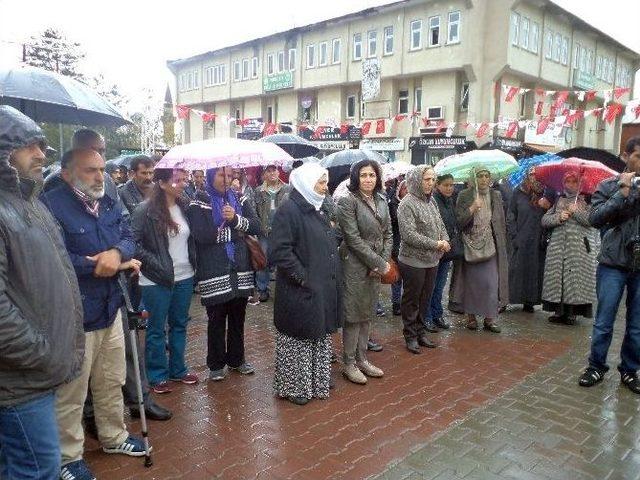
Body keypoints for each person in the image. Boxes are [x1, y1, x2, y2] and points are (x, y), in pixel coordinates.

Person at [43, 148, 150, 480]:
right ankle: (67, 456)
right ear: (67, 173)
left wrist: (117, 253)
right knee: (72, 391)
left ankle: (113, 436)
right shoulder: (51, 206)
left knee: (111, 380)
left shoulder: (108, 200)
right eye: (90, 170)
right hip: (76, 315)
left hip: (111, 307)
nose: (99, 176)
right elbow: (54, 259)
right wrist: (108, 264)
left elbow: (128, 236)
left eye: (102, 169)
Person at [0, 106, 84, 480]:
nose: (41, 154)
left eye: (42, 145)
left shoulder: (30, 202)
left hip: (34, 373)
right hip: (19, 379)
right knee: (38, 470)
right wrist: (43, 353)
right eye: (29, 146)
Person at [269, 163, 343, 405]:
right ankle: (294, 387)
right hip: (299, 288)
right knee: (298, 336)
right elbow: (280, 252)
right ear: (306, 183)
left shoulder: (318, 208)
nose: (325, 187)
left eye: (326, 182)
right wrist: (303, 277)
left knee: (317, 333)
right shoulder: (288, 210)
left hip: (320, 286)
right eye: (321, 182)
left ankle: (315, 381)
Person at [187, 167, 262, 381]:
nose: (228, 179)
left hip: (240, 270)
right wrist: (237, 232)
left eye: (231, 175)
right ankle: (216, 364)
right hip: (214, 270)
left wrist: (236, 218)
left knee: (238, 317)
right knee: (216, 318)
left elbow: (256, 225)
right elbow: (202, 235)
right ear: (211, 177)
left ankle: (237, 360)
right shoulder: (199, 201)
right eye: (222, 175)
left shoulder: (240, 198)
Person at [579, 137, 640, 394]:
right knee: (604, 320)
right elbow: (594, 218)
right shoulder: (608, 185)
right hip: (612, 264)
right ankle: (596, 366)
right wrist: (622, 193)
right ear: (626, 156)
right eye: (638, 154)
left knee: (637, 324)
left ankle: (629, 369)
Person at [131, 168, 199, 394]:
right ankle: (157, 375)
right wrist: (155, 264)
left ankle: (178, 369)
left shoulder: (185, 207)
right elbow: (133, 242)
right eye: (177, 180)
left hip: (185, 275)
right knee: (156, 328)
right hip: (156, 278)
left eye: (184, 179)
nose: (182, 184)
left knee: (179, 324)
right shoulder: (145, 210)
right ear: (161, 183)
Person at [336, 159, 392, 384]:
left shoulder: (381, 199)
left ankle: (362, 359)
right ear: (355, 178)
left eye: (372, 175)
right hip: (354, 264)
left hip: (376, 264)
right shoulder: (347, 202)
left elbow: (388, 233)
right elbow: (353, 239)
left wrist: (382, 262)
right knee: (353, 314)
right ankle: (348, 363)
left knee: (368, 311)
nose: (368, 179)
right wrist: (378, 263)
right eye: (364, 175)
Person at [397, 166, 450, 354]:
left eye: (432, 179)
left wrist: (445, 240)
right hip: (412, 261)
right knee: (412, 299)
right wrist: (437, 244)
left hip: (432, 260)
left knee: (425, 298)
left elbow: (440, 223)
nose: (430, 183)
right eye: (426, 179)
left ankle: (420, 332)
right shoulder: (407, 203)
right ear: (416, 180)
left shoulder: (432, 201)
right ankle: (410, 335)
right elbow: (409, 235)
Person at [450, 166, 509, 333]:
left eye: (486, 175)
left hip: (490, 243)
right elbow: (459, 221)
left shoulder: (495, 195)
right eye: (480, 176)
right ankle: (471, 317)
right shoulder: (464, 195)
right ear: (473, 178)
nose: (484, 179)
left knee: (491, 283)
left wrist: (503, 241)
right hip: (470, 245)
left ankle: (490, 319)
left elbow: (501, 220)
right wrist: (471, 209)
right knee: (471, 284)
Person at [541, 171, 596, 325]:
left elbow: (591, 221)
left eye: (574, 182)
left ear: (580, 184)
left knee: (574, 281)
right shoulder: (559, 200)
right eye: (568, 182)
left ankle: (572, 313)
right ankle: (559, 312)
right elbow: (544, 219)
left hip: (577, 249)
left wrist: (576, 211)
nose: (571, 185)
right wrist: (558, 217)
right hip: (558, 248)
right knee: (558, 280)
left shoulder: (588, 200)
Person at [425, 174, 463, 330]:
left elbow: (453, 223)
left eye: (452, 185)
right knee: (430, 286)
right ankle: (427, 317)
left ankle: (437, 314)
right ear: (437, 185)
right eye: (446, 185)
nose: (450, 188)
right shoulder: (433, 200)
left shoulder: (450, 201)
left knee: (440, 286)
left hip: (447, 251)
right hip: (435, 249)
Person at [507, 169, 549, 313]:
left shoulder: (545, 194)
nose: (534, 177)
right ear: (526, 176)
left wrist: (548, 207)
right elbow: (511, 214)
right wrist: (514, 235)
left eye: (537, 175)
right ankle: (509, 298)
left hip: (538, 238)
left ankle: (529, 302)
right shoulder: (518, 192)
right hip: (521, 236)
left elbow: (550, 216)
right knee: (516, 269)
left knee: (534, 270)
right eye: (531, 174)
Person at [253, 165, 291, 302]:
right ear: (264, 174)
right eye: (268, 171)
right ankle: (262, 289)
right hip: (265, 233)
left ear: (278, 171)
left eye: (274, 170)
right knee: (262, 262)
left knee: (284, 261)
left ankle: (284, 290)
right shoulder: (258, 191)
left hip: (283, 233)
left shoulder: (288, 189)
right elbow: (254, 211)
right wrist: (258, 228)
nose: (272, 173)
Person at [389, 180, 408, 316]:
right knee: (396, 278)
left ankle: (405, 303)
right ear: (399, 190)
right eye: (404, 188)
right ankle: (396, 303)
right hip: (396, 245)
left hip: (409, 248)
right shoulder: (393, 204)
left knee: (408, 278)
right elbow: (394, 221)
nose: (406, 191)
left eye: (408, 188)